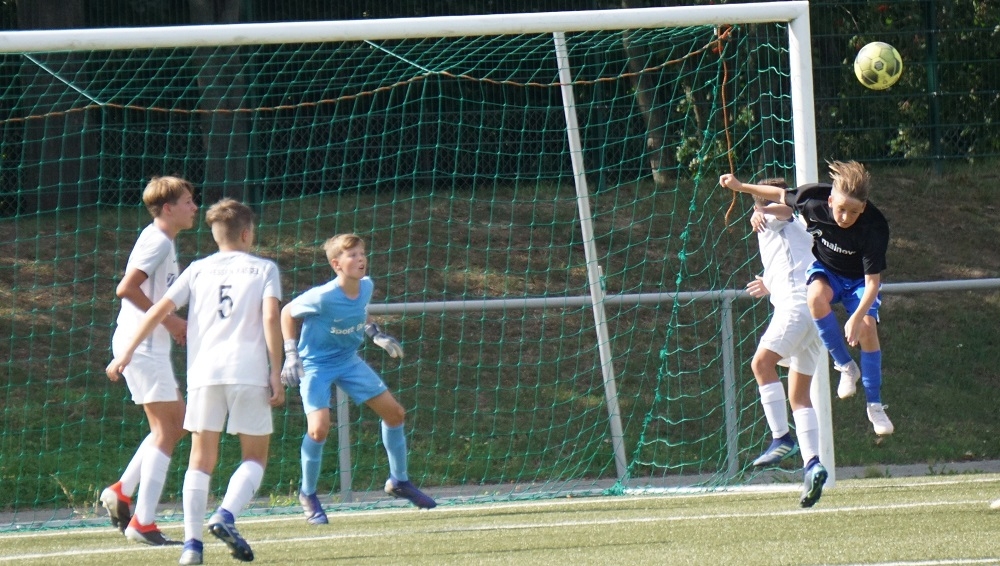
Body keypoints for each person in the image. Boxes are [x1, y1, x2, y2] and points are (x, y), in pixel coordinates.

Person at [106, 198, 285, 565]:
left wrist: (124, 353)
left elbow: (157, 310)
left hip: (204, 375)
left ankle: (192, 546)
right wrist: (276, 369)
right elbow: (270, 318)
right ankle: (226, 515)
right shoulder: (264, 268)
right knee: (255, 456)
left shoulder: (198, 269)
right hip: (248, 372)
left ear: (216, 235)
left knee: (200, 460)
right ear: (247, 234)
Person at [720, 161, 894, 437]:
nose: (845, 217)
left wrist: (857, 317)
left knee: (867, 328)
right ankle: (845, 366)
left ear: (863, 208)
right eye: (841, 209)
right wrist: (740, 187)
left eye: (854, 212)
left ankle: (874, 405)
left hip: (858, 281)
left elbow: (873, 282)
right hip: (828, 272)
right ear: (830, 200)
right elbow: (781, 197)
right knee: (814, 297)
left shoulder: (874, 228)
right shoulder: (813, 202)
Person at [280, 233, 435, 525]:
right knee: (318, 430)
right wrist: (291, 354)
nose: (361, 259)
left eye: (362, 253)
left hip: (348, 361)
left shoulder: (366, 286)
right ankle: (308, 494)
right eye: (352, 255)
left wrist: (375, 334)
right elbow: (287, 312)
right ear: (337, 264)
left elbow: (360, 312)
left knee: (395, 414)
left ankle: (399, 481)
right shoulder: (322, 296)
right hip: (316, 365)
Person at [102, 176, 198, 545]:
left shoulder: (163, 240)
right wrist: (171, 321)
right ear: (168, 208)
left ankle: (121, 491)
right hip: (139, 346)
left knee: (177, 424)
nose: (194, 207)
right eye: (187, 201)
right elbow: (126, 288)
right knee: (167, 430)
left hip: (148, 347)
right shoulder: (157, 241)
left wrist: (170, 323)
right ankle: (142, 522)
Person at [743, 180, 827, 508]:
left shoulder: (774, 215)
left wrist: (764, 211)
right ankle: (813, 464)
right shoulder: (803, 225)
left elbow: (784, 211)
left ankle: (781, 437)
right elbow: (794, 259)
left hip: (796, 308)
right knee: (799, 396)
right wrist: (769, 282)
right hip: (815, 315)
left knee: (761, 364)